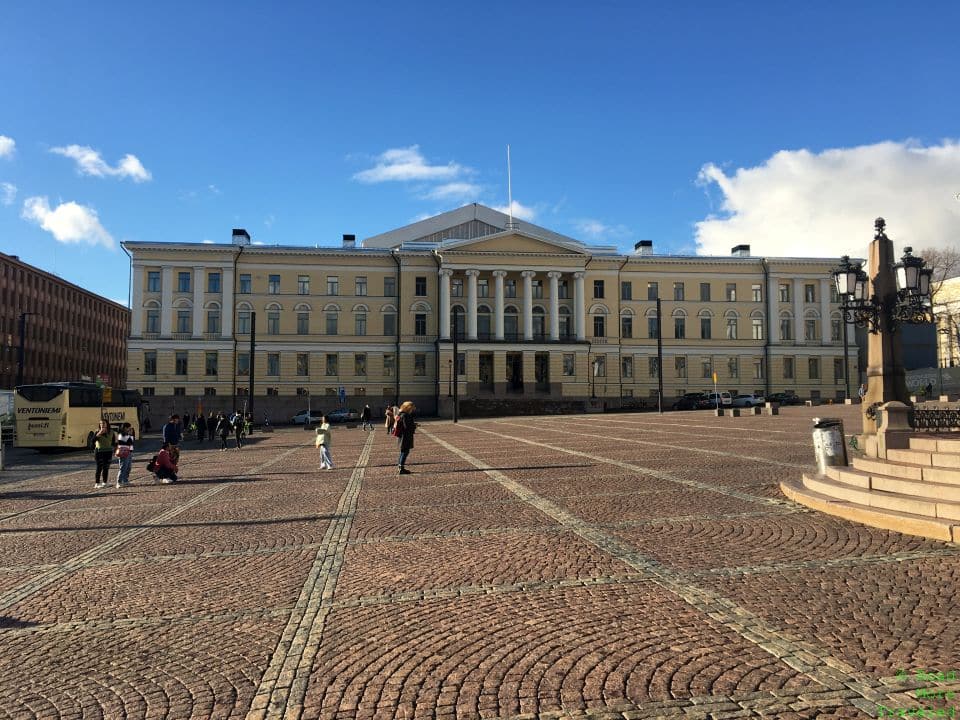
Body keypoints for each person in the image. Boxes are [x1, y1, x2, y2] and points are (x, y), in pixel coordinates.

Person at [394, 401, 417, 474]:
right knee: (405, 452)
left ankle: (400, 467)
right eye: (412, 408)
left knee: (403, 452)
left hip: (402, 436)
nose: (412, 410)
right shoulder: (406, 415)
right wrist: (414, 426)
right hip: (405, 437)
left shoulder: (401, 414)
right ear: (408, 408)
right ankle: (401, 468)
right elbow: (407, 426)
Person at [93, 419, 117, 489]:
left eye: (103, 423)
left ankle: (105, 482)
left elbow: (113, 442)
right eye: (100, 424)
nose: (102, 425)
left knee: (106, 467)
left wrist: (114, 448)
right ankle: (97, 483)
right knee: (99, 467)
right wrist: (99, 434)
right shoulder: (97, 431)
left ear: (107, 424)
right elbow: (92, 441)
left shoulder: (111, 432)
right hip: (99, 452)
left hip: (108, 451)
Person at [115, 422, 136, 488]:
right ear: (124, 428)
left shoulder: (127, 435)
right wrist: (130, 435)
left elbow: (132, 442)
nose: (129, 429)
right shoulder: (121, 435)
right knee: (123, 467)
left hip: (129, 452)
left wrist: (131, 435)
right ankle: (119, 482)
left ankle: (125, 480)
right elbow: (130, 442)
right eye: (128, 428)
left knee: (128, 467)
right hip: (123, 453)